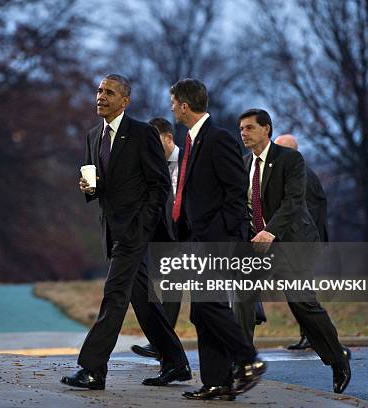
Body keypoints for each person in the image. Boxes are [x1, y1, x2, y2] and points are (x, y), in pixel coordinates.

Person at [60, 75, 191, 390]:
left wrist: (143, 225)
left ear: (124, 101)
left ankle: (93, 369)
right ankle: (176, 363)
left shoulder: (142, 133)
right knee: (142, 301)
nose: (101, 96)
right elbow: (99, 182)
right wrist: (89, 188)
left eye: (109, 92)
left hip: (134, 232)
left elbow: (159, 184)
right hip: (111, 230)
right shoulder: (93, 135)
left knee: (114, 295)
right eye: (99, 91)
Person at [236, 109, 351, 394]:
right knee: (242, 298)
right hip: (257, 245)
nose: (244, 133)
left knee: (302, 303)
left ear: (267, 129)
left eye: (250, 128)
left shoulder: (290, 159)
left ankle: (338, 358)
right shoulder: (243, 164)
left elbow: (293, 202)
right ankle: (242, 364)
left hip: (291, 242)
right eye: (241, 128)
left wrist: (270, 231)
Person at [169, 78, 265, 401]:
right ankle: (217, 382)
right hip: (199, 239)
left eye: (173, 103)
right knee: (201, 311)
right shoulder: (193, 140)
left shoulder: (218, 139)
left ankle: (249, 359)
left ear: (184, 105)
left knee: (209, 305)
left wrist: (221, 236)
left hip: (217, 240)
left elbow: (237, 194)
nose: (171, 108)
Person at [131, 117, 182, 360]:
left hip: (186, 235)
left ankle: (162, 344)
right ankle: (162, 343)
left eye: (155, 140)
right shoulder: (151, 164)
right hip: (160, 235)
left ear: (168, 138)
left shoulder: (188, 161)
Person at [275, 134, 326, 350]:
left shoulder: (301, 175)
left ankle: (316, 337)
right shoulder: (299, 173)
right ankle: (311, 336)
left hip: (302, 244)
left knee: (302, 295)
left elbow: (309, 215)